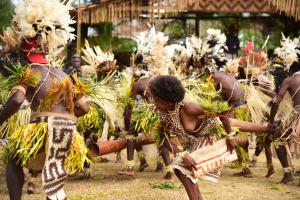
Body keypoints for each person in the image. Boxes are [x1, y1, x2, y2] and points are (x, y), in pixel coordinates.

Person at [0, 1, 90, 199]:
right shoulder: (64, 75)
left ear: (25, 53)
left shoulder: (30, 72)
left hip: (43, 127)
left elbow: (16, 100)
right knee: (54, 175)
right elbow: (85, 107)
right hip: (68, 132)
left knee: (14, 160)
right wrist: (64, 116)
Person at [148, 75, 237, 200]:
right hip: (190, 143)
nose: (154, 104)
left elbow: (223, 114)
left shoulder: (189, 108)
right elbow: (162, 139)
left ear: (168, 100)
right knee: (180, 167)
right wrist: (182, 154)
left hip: (210, 137)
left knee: (181, 167)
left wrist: (230, 136)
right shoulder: (162, 114)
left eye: (157, 100)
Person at [268, 61, 300, 184]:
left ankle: (287, 173)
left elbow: (276, 101)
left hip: (298, 117)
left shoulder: (290, 80)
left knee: (277, 138)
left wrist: (271, 121)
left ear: (291, 70)